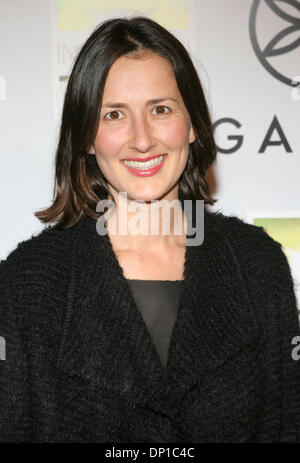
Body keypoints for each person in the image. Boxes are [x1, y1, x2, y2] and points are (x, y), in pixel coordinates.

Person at [0, 16, 299, 443]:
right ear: (86, 135)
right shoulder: (28, 282)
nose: (142, 140)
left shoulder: (258, 266)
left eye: (160, 109)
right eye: (114, 114)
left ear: (192, 123)